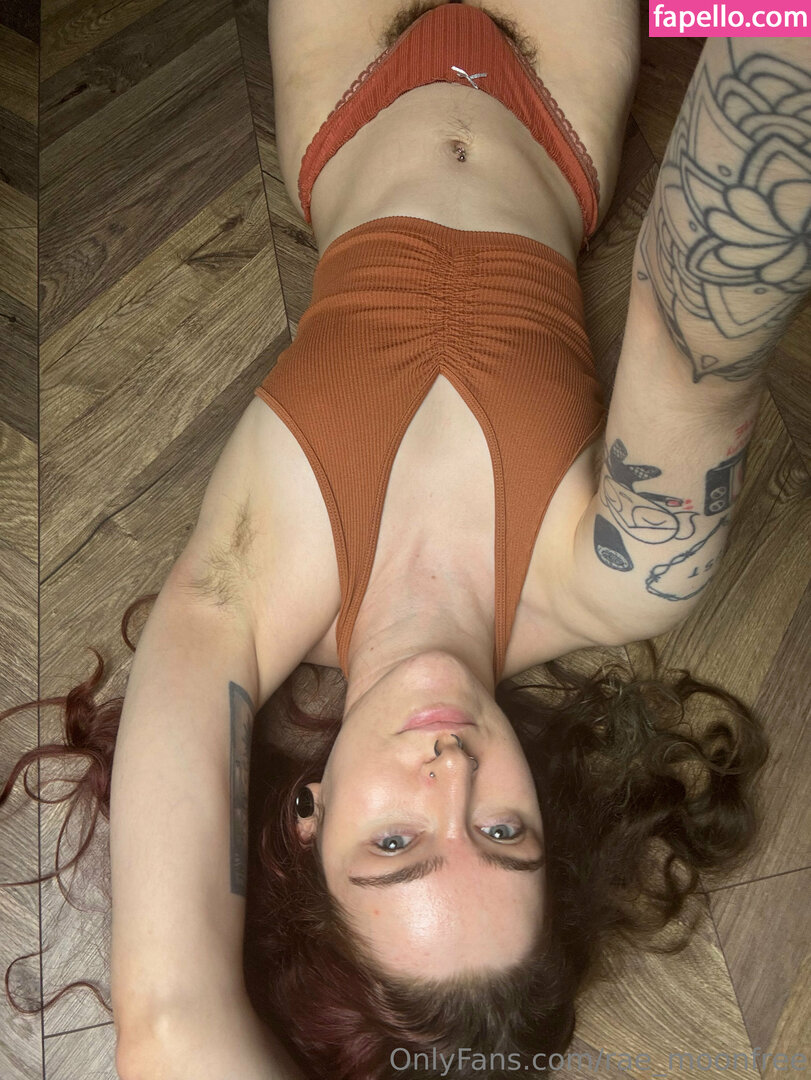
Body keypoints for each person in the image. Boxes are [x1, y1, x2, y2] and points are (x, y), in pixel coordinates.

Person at [1, 2, 807, 1079]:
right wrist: (773, 16)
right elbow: (696, 332)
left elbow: (173, 1026)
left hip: (350, 81)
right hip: (553, 91)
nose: (451, 772)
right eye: (503, 833)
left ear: (307, 816)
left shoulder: (238, 603)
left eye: (395, 844)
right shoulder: (623, 578)